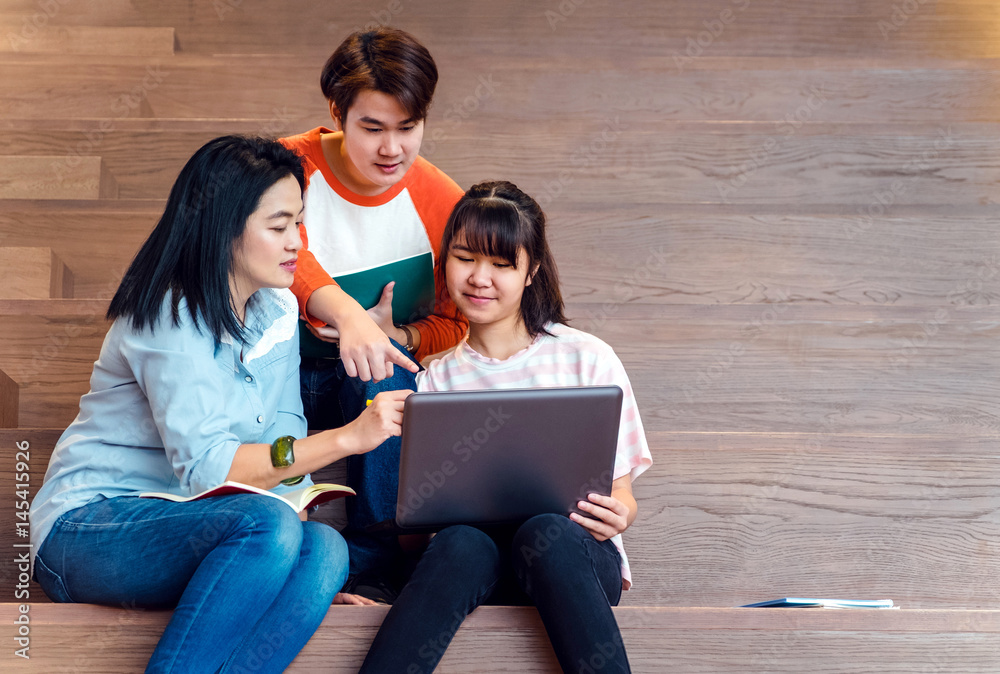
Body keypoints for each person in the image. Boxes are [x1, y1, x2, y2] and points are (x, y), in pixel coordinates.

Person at [29, 135, 407, 673]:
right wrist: (347, 438)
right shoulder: (168, 314)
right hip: (89, 529)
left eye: (299, 224)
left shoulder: (278, 311)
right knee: (267, 525)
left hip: (202, 523)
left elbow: (282, 442)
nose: (297, 243)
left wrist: (294, 582)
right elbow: (208, 470)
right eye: (279, 227)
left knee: (325, 549)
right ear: (225, 227)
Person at [357, 180, 653, 673]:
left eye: (501, 264)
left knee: (546, 531)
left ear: (532, 271)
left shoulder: (587, 357)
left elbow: (621, 495)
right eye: (465, 258)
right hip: (474, 566)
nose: (479, 278)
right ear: (445, 262)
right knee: (461, 542)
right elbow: (413, 538)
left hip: (570, 561)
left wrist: (618, 515)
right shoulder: (432, 380)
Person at [280, 27, 468, 584]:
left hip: (361, 381)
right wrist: (348, 315)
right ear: (336, 113)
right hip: (273, 372)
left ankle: (378, 558)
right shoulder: (285, 168)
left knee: (391, 373)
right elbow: (277, 249)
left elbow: (457, 321)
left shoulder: (443, 203)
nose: (392, 149)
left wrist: (399, 336)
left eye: (408, 128)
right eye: (373, 128)